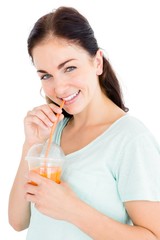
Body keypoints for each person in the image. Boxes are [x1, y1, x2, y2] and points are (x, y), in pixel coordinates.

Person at [8, 6, 160, 240]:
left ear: (97, 62)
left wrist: (71, 209)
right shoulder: (51, 130)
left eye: (69, 68)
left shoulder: (131, 139)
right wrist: (31, 144)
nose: (59, 88)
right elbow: (18, 221)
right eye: (46, 75)